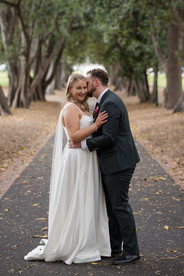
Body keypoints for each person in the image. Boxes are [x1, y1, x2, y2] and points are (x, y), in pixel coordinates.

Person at [24, 73, 111, 265]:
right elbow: (74, 136)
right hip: (77, 160)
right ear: (70, 89)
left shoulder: (84, 106)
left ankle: (93, 241)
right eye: (77, 88)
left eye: (83, 87)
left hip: (87, 158)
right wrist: (96, 125)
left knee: (88, 198)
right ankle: (76, 242)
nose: (82, 91)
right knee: (78, 198)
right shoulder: (70, 108)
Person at [70, 68, 140, 265]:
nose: (85, 87)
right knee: (112, 208)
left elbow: (109, 138)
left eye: (88, 83)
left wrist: (82, 144)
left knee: (120, 207)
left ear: (96, 83)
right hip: (113, 162)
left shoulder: (110, 103)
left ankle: (132, 252)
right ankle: (115, 247)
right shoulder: (104, 101)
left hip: (119, 163)